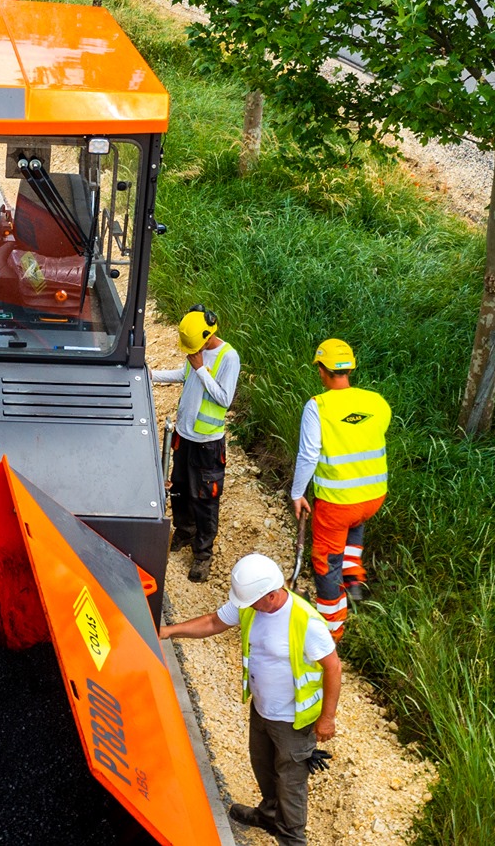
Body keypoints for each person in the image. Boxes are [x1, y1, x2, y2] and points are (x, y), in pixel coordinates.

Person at [160, 553, 340, 846]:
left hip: (293, 720)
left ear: (271, 595)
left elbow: (333, 666)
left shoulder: (305, 622)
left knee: (290, 783)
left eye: (252, 602)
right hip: (262, 710)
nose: (246, 607)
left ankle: (292, 838)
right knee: (263, 766)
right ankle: (269, 814)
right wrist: (169, 631)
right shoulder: (251, 605)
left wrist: (327, 718)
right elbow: (212, 622)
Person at [290, 338, 391, 640]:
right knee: (354, 526)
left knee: (325, 562)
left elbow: (308, 455)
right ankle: (354, 579)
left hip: (337, 504)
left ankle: (330, 632)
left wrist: (297, 493)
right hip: (373, 497)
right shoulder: (376, 401)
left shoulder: (317, 406)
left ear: (322, 370)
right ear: (349, 369)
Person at [151, 305, 240, 581]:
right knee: (179, 489)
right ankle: (185, 531)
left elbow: (224, 399)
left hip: (207, 444)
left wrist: (201, 369)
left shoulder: (228, 357)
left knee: (205, 498)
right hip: (185, 437)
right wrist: (151, 374)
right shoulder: (195, 354)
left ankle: (202, 554)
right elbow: (183, 375)